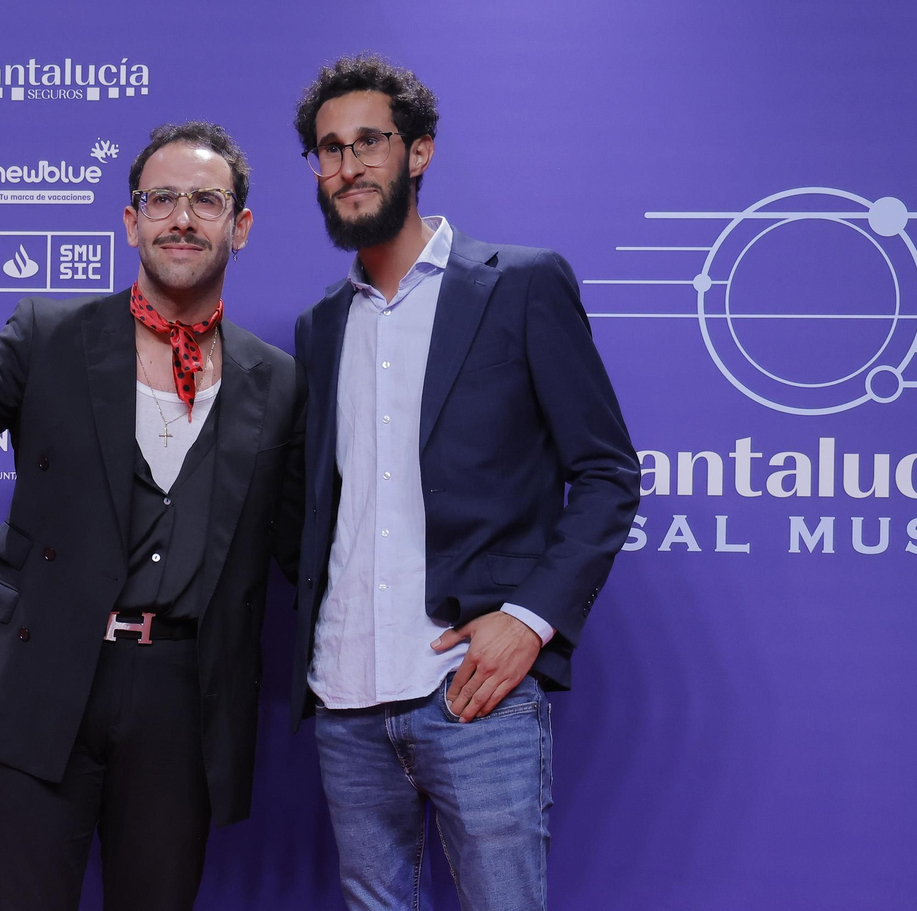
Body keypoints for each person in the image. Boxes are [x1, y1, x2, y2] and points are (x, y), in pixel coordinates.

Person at [0, 121, 303, 911]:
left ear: (241, 225)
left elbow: (304, 545)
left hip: (184, 699)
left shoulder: (278, 380)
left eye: (206, 200)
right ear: (131, 221)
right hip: (42, 676)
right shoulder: (47, 335)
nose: (181, 217)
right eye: (161, 199)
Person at [288, 55, 641, 910]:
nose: (347, 167)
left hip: (474, 696)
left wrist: (528, 620)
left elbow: (605, 472)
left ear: (419, 152)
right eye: (328, 151)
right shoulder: (320, 326)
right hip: (345, 700)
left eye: (368, 142)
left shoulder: (519, 285)